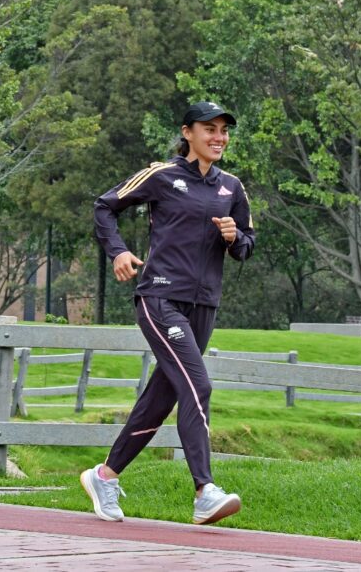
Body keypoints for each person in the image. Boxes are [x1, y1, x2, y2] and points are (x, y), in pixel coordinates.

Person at [82, 101, 255, 525]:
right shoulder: (161, 175)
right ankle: (204, 491)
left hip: (205, 305)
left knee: (162, 398)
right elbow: (105, 206)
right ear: (187, 132)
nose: (219, 137)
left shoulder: (232, 188)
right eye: (210, 129)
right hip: (160, 298)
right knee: (198, 385)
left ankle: (105, 476)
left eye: (224, 130)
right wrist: (118, 251)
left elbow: (246, 247)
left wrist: (234, 237)